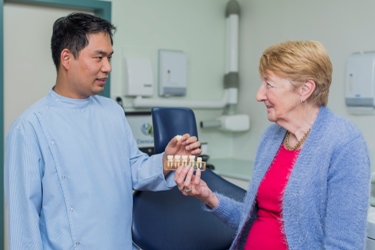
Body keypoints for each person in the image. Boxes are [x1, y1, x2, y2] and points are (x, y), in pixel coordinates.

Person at [4, 12, 201, 250]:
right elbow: (24, 225)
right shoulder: (29, 128)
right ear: (66, 58)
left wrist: (168, 161)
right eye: (98, 57)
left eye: (109, 57)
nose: (107, 67)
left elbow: (132, 170)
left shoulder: (112, 112)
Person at [175, 40, 371, 249]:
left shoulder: (345, 145)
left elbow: (344, 245)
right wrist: (208, 196)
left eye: (269, 84)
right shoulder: (272, 137)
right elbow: (250, 221)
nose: (259, 95)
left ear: (305, 89)